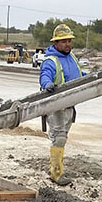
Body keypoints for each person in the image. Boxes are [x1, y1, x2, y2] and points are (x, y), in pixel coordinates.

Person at [39, 24, 85, 186]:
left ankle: (56, 167)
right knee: (58, 138)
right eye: (63, 41)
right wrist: (47, 85)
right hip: (56, 107)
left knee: (62, 137)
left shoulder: (71, 57)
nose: (67, 44)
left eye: (69, 41)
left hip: (69, 106)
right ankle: (56, 173)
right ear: (56, 43)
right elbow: (45, 75)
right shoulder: (51, 61)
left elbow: (79, 75)